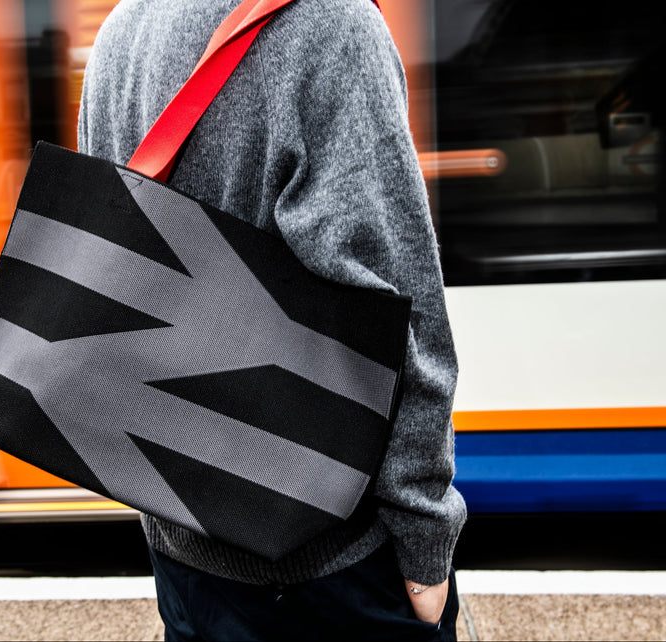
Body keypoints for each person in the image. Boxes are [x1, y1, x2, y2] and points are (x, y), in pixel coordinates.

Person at [78, 0, 466, 639]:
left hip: (185, 558)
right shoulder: (332, 26)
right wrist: (425, 541)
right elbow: (401, 305)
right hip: (334, 568)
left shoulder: (120, 32)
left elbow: (118, 270)